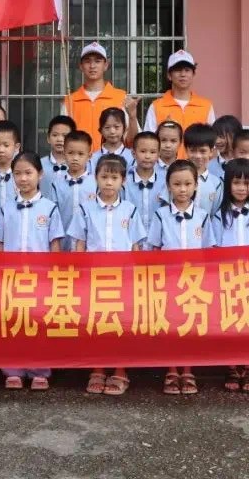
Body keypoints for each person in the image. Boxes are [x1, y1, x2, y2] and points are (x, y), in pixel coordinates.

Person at [69, 154, 145, 396]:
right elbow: (80, 244)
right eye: (104, 177)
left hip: (122, 279)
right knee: (96, 323)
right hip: (94, 278)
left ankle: (120, 370)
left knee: (121, 324)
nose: (109, 183)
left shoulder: (130, 211)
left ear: (123, 180)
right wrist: (79, 276)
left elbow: (136, 245)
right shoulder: (85, 209)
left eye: (114, 178)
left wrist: (136, 278)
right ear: (96, 178)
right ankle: (98, 368)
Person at [0, 151, 65, 391]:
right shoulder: (6, 208)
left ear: (40, 174)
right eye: (18, 174)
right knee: (14, 323)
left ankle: (39, 370)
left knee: (38, 323)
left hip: (40, 278)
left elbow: (54, 244)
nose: (23, 178)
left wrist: (54, 276)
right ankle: (13, 370)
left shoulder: (50, 208)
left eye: (28, 173)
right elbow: (0, 243)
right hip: (13, 277)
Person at [148, 159, 213, 395]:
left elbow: (208, 251)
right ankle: (172, 369)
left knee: (190, 326)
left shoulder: (203, 216)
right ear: (168, 186)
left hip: (194, 282)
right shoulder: (160, 215)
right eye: (177, 184)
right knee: (171, 326)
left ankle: (188, 370)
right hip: (169, 280)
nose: (182, 189)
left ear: (196, 185)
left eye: (187, 184)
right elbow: (155, 248)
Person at [209, 158, 249, 395]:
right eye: (236, 182)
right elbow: (214, 248)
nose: (241, 188)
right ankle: (231, 366)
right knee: (230, 322)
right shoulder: (219, 216)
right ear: (227, 184)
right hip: (227, 278)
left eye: (247, 183)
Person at [62, 42, 137, 151]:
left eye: (97, 61)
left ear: (106, 65)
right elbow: (63, 139)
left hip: (112, 160)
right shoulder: (70, 101)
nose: (92, 66)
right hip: (80, 160)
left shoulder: (121, 97)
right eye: (87, 61)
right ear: (81, 66)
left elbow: (132, 141)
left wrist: (133, 117)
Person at [141, 50, 216, 134]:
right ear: (169, 75)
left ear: (193, 74)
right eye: (178, 70)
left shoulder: (206, 106)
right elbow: (149, 139)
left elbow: (213, 139)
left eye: (187, 70)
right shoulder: (156, 106)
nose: (183, 74)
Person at [48, 130, 97, 251]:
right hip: (63, 242)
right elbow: (53, 216)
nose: (75, 158)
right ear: (64, 154)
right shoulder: (56, 184)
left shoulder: (96, 183)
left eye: (80, 154)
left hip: (89, 244)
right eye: (70, 153)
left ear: (89, 156)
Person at [163, 123, 222, 216]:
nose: (198, 156)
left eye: (203, 151)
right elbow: (165, 205)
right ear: (186, 150)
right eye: (193, 150)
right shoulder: (174, 175)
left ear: (211, 151)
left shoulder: (216, 183)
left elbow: (215, 214)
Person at [124, 131, 166, 230]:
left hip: (157, 236)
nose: (147, 156)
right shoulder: (124, 182)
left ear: (159, 154)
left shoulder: (165, 182)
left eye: (152, 152)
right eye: (143, 151)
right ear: (133, 153)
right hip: (131, 235)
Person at [40, 115, 75, 198]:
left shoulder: (79, 166)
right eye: (55, 135)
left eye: (65, 136)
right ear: (48, 138)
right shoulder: (39, 164)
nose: (59, 139)